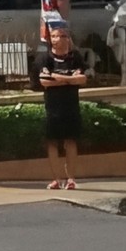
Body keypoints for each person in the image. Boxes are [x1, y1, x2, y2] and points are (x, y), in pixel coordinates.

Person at [33, 19, 90, 189]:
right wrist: (69, 80)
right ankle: (56, 179)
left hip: (71, 107)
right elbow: (44, 81)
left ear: (67, 38)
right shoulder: (44, 58)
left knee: (71, 141)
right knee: (52, 142)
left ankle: (71, 179)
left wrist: (58, 78)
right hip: (53, 108)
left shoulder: (75, 57)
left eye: (61, 36)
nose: (57, 39)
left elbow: (82, 79)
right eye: (54, 36)